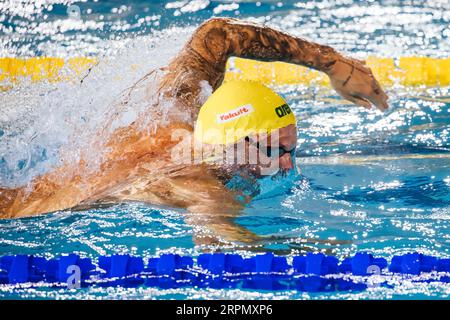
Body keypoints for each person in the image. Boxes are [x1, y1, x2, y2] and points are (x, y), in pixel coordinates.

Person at [0, 18, 389, 245]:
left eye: (291, 149)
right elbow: (217, 245)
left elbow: (216, 35)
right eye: (273, 152)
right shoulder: (202, 186)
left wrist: (331, 63)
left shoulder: (175, 114)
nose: (287, 164)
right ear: (235, 143)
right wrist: (314, 250)